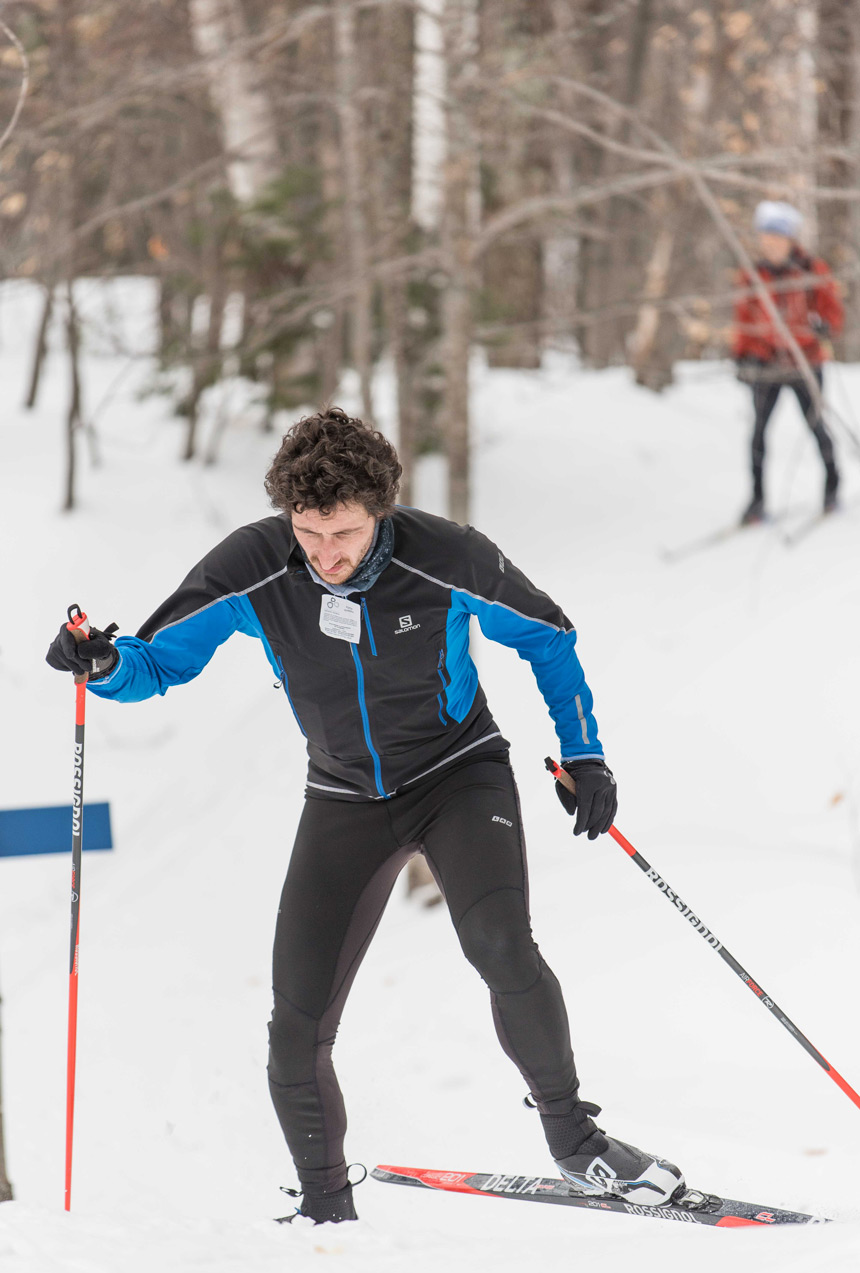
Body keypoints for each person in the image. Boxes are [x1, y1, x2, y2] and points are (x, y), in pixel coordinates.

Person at [46, 408, 684, 1224]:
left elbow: (548, 635)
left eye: (343, 532)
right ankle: (325, 1212)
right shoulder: (256, 565)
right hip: (345, 795)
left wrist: (584, 752)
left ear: (380, 508)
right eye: (308, 533)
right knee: (295, 1023)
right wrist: (98, 663)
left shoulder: (445, 555)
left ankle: (577, 1142)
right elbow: (153, 662)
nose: (326, 554)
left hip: (459, 772)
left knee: (499, 943)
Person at [732, 200, 843, 525]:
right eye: (765, 237)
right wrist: (743, 357)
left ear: (790, 240)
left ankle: (832, 489)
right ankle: (756, 500)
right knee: (758, 434)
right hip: (768, 364)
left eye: (776, 238)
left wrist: (824, 326)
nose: (770, 244)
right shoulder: (754, 275)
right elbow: (745, 321)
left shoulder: (811, 270)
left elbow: (832, 311)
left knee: (816, 426)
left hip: (806, 362)